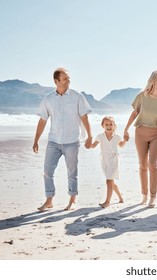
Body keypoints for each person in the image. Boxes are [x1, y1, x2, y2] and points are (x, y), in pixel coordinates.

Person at [33, 67, 92, 212]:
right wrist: (36, 140)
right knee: (47, 171)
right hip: (53, 141)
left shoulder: (77, 96)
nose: (68, 81)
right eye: (65, 78)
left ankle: (72, 200)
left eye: (68, 78)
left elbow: (84, 117)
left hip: (72, 141)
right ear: (56, 81)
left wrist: (90, 136)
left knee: (72, 173)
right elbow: (42, 120)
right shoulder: (48, 99)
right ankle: (49, 200)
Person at [124, 70, 157, 208]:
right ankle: (144, 195)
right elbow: (135, 113)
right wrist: (126, 129)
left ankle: (153, 196)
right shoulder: (142, 96)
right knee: (142, 164)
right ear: (155, 79)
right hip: (140, 132)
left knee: (152, 164)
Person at [90, 116, 127, 208]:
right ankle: (120, 197)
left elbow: (121, 145)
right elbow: (93, 146)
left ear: (114, 126)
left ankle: (107, 202)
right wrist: (88, 144)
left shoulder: (117, 137)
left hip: (114, 159)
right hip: (104, 159)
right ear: (103, 125)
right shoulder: (100, 136)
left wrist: (125, 140)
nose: (109, 126)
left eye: (111, 124)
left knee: (108, 180)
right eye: (106, 124)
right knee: (111, 181)